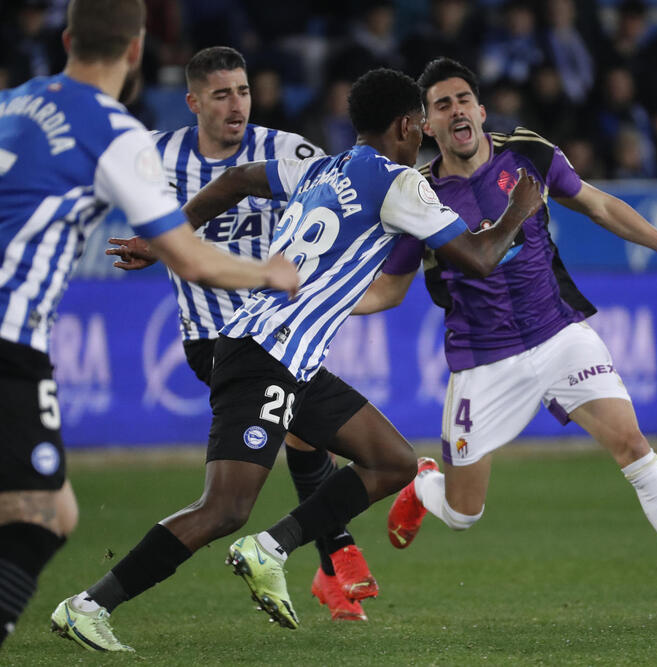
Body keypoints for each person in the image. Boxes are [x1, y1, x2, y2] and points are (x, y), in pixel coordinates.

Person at [51, 66, 544, 652]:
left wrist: (166, 240)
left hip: (290, 358)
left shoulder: (323, 168)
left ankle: (272, 547)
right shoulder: (400, 183)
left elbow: (236, 179)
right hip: (266, 354)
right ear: (408, 125)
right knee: (224, 506)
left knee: (391, 462)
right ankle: (88, 605)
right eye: (420, 127)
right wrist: (520, 208)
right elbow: (481, 259)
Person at [353, 57, 657, 622]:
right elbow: (389, 289)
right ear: (427, 126)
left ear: (481, 111)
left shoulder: (527, 153)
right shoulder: (419, 195)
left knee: (633, 446)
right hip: (483, 363)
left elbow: (598, 202)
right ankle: (425, 486)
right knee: (464, 515)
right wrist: (319, 304)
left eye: (463, 99)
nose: (456, 109)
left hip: (558, 334)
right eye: (441, 104)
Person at [0, 0, 298, 651]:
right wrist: (269, 274)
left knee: (44, 509)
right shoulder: (115, 133)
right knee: (43, 517)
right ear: (137, 51)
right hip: (10, 339)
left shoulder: (16, 101)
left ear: (69, 38)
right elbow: (191, 256)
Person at [105, 46, 378, 622]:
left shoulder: (286, 150)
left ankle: (331, 563)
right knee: (305, 447)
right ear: (194, 101)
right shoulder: (155, 156)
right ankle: (335, 552)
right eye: (223, 94)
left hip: (278, 327)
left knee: (308, 437)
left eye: (244, 91)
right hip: (215, 340)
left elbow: (344, 195)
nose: (237, 105)